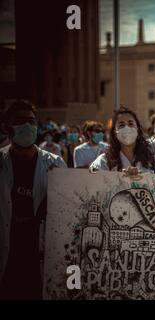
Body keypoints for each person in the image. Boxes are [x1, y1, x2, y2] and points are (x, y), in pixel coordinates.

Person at [0, 100, 67, 299]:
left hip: (40, 258)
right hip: (7, 257)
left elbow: (69, 205)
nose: (27, 126)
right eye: (20, 121)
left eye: (31, 121)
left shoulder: (54, 164)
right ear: (7, 127)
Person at [90, 59, 155, 175]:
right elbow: (91, 179)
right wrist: (119, 177)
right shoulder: (105, 161)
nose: (127, 127)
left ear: (138, 128)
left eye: (130, 123)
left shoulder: (151, 151)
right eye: (121, 125)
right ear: (114, 132)